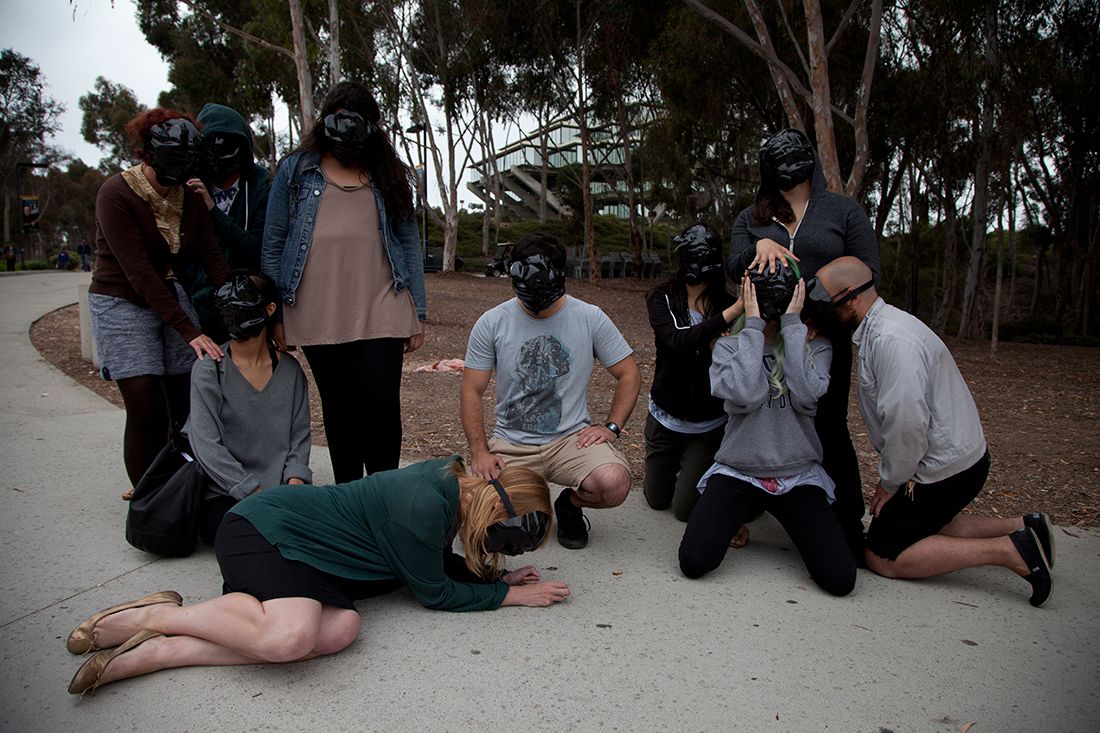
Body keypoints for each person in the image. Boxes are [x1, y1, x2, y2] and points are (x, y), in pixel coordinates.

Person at [65, 457, 569, 696]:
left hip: (316, 558)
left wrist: (498, 582)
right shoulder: (422, 505)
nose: (510, 549)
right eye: (512, 539)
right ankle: (158, 616)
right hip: (266, 528)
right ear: (492, 507)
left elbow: (430, 562)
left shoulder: (449, 488)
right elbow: (434, 591)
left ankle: (163, 649)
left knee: (340, 630)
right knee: (289, 637)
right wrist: (508, 599)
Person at [812, 256, 1055, 606]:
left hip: (944, 470)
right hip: (949, 460)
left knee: (881, 554)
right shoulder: (882, 328)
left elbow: (907, 425)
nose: (823, 312)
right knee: (907, 521)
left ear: (851, 296)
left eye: (826, 302)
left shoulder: (893, 341)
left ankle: (1010, 551)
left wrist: (891, 482)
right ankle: (1024, 526)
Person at [728, 128, 881, 560]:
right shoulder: (752, 216)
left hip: (822, 336)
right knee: (751, 414)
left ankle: (845, 516)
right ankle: (744, 502)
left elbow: (866, 273)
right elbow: (733, 265)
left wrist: (817, 315)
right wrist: (760, 242)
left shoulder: (843, 211)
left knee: (827, 422)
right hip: (761, 335)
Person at [262, 81, 426, 484]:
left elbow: (407, 240)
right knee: (339, 407)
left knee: (382, 402)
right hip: (316, 305)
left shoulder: (388, 172)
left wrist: (417, 311)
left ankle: (385, 493)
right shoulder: (296, 169)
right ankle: (350, 497)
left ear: (373, 125)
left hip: (381, 300)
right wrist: (275, 316)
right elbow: (273, 242)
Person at [678, 267, 856, 597]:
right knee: (693, 561)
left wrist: (792, 325)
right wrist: (754, 324)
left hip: (797, 474)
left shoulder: (816, 344)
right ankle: (738, 515)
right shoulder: (728, 347)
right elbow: (746, 396)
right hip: (739, 470)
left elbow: (805, 397)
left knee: (840, 579)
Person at [461, 232, 641, 550]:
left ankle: (569, 506)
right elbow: (472, 391)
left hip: (570, 440)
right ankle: (530, 498)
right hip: (512, 444)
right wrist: (480, 453)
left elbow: (628, 373)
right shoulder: (492, 322)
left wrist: (612, 427)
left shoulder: (590, 318)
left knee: (614, 484)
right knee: (479, 527)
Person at [88, 109, 231, 500]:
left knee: (184, 402)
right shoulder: (116, 193)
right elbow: (137, 271)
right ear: (147, 155)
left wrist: (241, 304)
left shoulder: (188, 196)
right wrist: (191, 332)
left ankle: (181, 483)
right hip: (121, 299)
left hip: (169, 295)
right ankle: (149, 495)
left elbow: (211, 256)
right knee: (145, 403)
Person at [182, 270, 312, 542]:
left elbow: (299, 438)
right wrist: (252, 492)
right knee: (245, 532)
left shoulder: (290, 372)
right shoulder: (208, 371)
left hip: (281, 491)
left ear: (269, 308)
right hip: (226, 492)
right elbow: (205, 443)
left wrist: (294, 485)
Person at [644, 222, 747, 537]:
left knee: (684, 511)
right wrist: (729, 317)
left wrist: (724, 334)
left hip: (707, 424)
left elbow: (739, 362)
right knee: (656, 501)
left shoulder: (726, 303)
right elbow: (679, 341)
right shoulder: (661, 298)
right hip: (665, 416)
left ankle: (717, 488)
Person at [186, 103, 271, 344]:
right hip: (198, 301)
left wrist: (212, 211)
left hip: (244, 302)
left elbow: (257, 249)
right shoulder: (191, 182)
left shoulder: (261, 184)